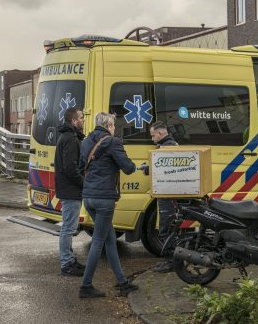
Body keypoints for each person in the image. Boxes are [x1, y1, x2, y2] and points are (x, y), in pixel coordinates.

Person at [77, 112, 140, 298]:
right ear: (109, 125)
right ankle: (86, 286)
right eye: (113, 125)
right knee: (98, 242)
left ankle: (122, 282)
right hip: (104, 199)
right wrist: (135, 165)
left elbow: (81, 166)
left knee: (110, 239)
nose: (114, 128)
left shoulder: (86, 141)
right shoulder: (112, 142)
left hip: (88, 197)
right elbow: (128, 168)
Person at [54, 107, 86, 277]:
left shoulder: (67, 136)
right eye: (81, 117)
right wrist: (84, 184)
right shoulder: (71, 139)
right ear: (74, 121)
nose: (83, 120)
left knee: (69, 226)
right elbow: (70, 168)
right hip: (70, 189)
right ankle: (67, 263)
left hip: (68, 188)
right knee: (68, 228)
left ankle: (70, 259)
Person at [149, 121, 179, 273]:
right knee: (168, 228)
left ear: (160, 133)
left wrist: (148, 168)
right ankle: (172, 261)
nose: (152, 138)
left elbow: (163, 168)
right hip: (167, 193)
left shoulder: (168, 147)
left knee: (167, 229)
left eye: (153, 135)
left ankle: (172, 262)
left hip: (168, 195)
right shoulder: (169, 145)